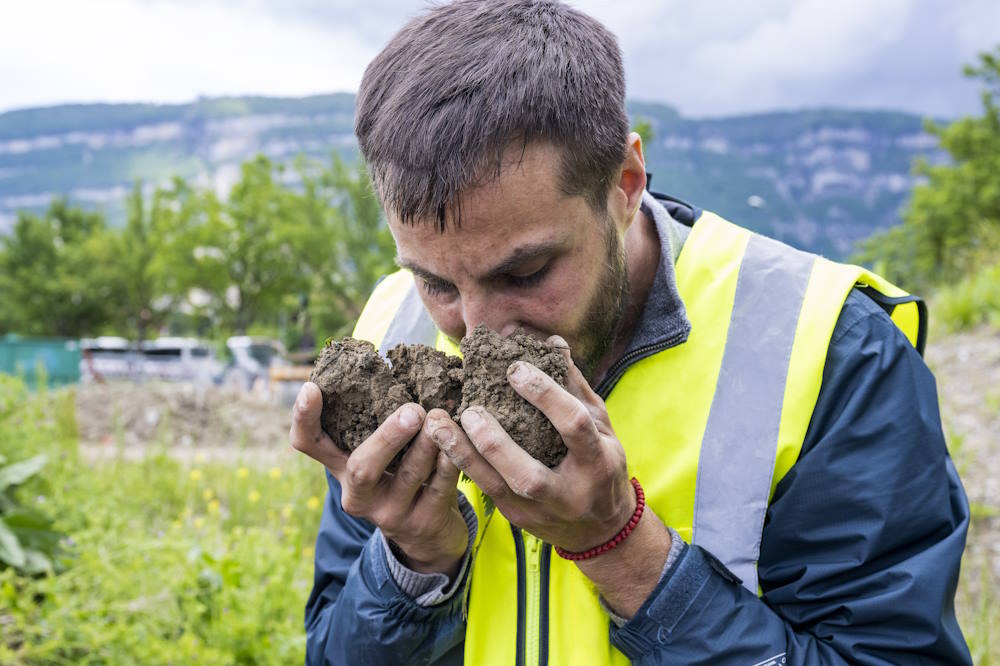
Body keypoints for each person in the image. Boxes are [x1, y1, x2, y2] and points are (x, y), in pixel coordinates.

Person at [289, 1, 972, 663]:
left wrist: (621, 550)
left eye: (525, 271)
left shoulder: (828, 348)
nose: (477, 331)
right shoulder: (388, 333)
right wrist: (414, 565)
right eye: (436, 282)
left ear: (625, 183)